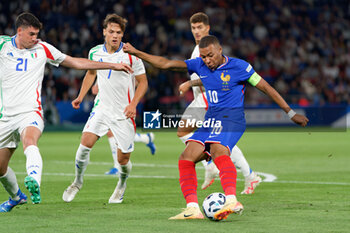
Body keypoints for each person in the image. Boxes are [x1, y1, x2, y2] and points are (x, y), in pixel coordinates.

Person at [123, 35, 308, 220]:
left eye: (210, 55)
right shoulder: (200, 65)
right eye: (203, 57)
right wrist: (136, 52)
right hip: (210, 119)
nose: (207, 60)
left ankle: (231, 199)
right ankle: (193, 208)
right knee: (186, 158)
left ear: (220, 50)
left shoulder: (240, 67)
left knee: (218, 150)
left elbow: (267, 88)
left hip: (232, 119)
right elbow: (166, 64)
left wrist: (290, 113)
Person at [0, 12, 132, 212]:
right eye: (32, 34)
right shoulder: (2, 45)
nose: (36, 38)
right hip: (5, 116)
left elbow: (76, 62)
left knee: (30, 141)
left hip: (30, 112)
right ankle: (17, 197)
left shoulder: (43, 48)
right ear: (19, 31)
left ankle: (34, 179)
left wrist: (111, 65)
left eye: (37, 34)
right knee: (1, 167)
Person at [62, 14, 148, 204]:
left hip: (123, 113)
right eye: (111, 32)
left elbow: (143, 83)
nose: (114, 35)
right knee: (84, 145)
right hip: (101, 108)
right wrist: (80, 96)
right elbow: (90, 73)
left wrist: (133, 104)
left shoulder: (132, 55)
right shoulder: (94, 52)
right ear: (104, 32)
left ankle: (122, 184)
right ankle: (77, 181)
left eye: (118, 32)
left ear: (122, 34)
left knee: (123, 159)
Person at [179, 12, 261, 193]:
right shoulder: (196, 50)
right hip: (200, 99)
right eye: (193, 28)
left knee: (199, 135)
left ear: (208, 28)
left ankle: (213, 166)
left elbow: (215, 77)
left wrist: (190, 82)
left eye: (200, 27)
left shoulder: (209, 50)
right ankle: (248, 174)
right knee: (217, 140)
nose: (197, 31)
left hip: (210, 100)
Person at [90, 83, 156, 175]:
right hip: (108, 102)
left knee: (115, 133)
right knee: (114, 133)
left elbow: (139, 81)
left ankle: (117, 167)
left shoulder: (128, 69)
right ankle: (146, 138)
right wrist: (97, 85)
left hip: (121, 101)